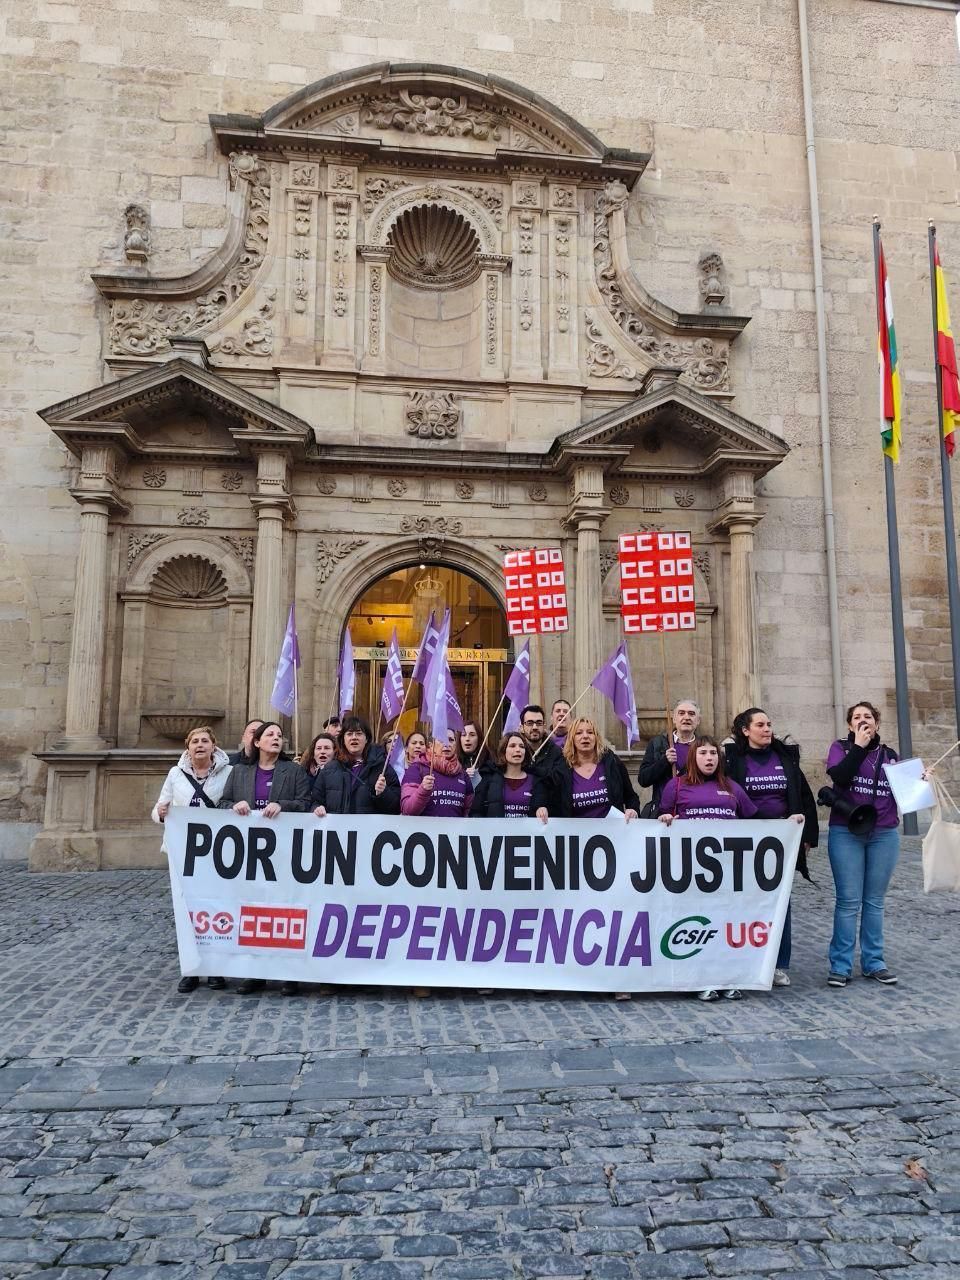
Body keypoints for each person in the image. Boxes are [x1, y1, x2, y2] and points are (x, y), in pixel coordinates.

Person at [725, 708, 819, 989]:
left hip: (780, 840)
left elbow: (804, 796)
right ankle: (745, 960)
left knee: (780, 901)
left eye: (769, 724)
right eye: (760, 725)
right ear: (745, 731)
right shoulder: (734, 760)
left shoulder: (784, 757)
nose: (767, 729)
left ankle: (778, 963)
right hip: (745, 840)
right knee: (744, 901)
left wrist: (808, 836)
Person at [659, 735, 758, 1002]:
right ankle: (697, 979)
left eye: (713, 753)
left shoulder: (732, 787)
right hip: (690, 871)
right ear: (693, 757)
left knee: (724, 923)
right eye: (703, 753)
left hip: (727, 871)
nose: (709, 758)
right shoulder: (676, 786)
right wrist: (664, 818)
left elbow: (756, 822)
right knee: (695, 924)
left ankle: (727, 978)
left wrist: (788, 822)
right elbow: (661, 818)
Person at [218, 721, 312, 996]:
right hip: (250, 856)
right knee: (253, 912)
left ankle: (288, 974)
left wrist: (282, 805)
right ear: (257, 742)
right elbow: (222, 803)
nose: (276, 738)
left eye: (279, 735)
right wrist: (234, 805)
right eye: (270, 734)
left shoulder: (293, 771)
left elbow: (304, 804)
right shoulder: (239, 772)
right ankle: (255, 973)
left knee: (285, 912)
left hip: (284, 855)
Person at [151, 725, 233, 994]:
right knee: (187, 912)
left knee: (216, 909)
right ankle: (191, 970)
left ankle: (215, 969)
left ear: (213, 746)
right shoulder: (175, 774)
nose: (200, 745)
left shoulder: (228, 773)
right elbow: (158, 810)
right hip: (184, 854)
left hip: (217, 854)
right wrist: (161, 812)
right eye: (195, 741)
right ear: (187, 747)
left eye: (205, 741)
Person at [824, 701, 900, 988]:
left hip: (883, 832)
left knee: (874, 901)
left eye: (868, 716)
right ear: (850, 725)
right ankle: (841, 965)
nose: (863, 720)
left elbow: (903, 793)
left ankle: (874, 962)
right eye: (857, 717)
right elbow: (841, 777)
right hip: (847, 831)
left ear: (877, 723)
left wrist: (918, 781)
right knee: (848, 901)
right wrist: (859, 746)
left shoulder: (890, 755)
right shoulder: (840, 748)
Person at [311, 715, 401, 817]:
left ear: (366, 739)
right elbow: (315, 801)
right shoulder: (329, 769)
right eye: (349, 734)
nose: (354, 737)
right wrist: (317, 808)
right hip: (338, 827)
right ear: (343, 739)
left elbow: (396, 807)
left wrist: (383, 793)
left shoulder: (382, 768)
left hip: (368, 827)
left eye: (359, 733)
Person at [554, 717, 641, 821]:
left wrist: (633, 810)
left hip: (612, 829)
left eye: (590, 732)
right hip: (576, 830)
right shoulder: (561, 769)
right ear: (572, 739)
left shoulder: (612, 762)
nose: (585, 736)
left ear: (596, 737)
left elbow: (631, 797)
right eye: (579, 733)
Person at [638, 700, 701, 816]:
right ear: (674, 719)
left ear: (698, 721)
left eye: (691, 714)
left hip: (694, 812)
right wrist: (664, 762)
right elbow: (643, 779)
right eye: (681, 713)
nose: (686, 717)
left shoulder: (704, 747)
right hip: (663, 813)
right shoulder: (657, 743)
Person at [472, 732, 550, 820]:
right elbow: (476, 812)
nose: (518, 750)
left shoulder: (537, 781)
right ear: (503, 751)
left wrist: (541, 810)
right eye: (512, 746)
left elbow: (541, 806)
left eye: (522, 746)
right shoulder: (490, 779)